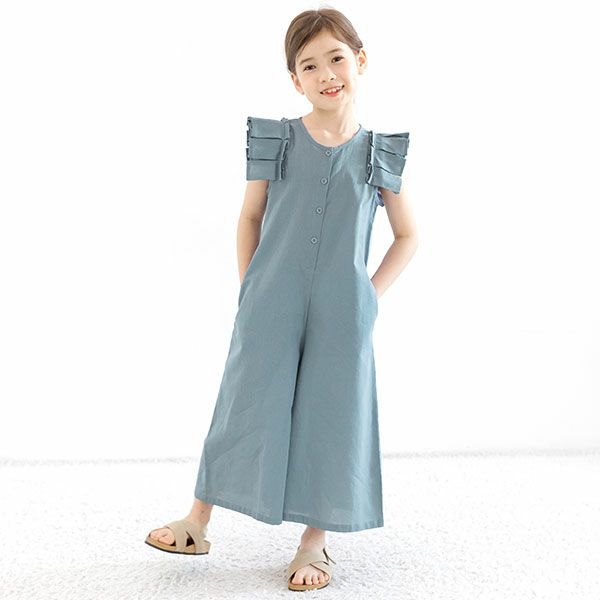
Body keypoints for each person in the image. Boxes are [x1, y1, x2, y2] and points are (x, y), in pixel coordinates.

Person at [145, 7, 418, 592]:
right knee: (244, 398)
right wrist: (251, 286)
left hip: (345, 308)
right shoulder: (277, 139)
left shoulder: (379, 152)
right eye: (309, 65)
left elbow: (408, 235)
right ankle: (197, 520)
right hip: (270, 296)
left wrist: (369, 296)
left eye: (336, 58)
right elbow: (250, 217)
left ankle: (314, 542)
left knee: (334, 412)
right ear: (295, 79)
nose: (326, 74)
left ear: (360, 60)